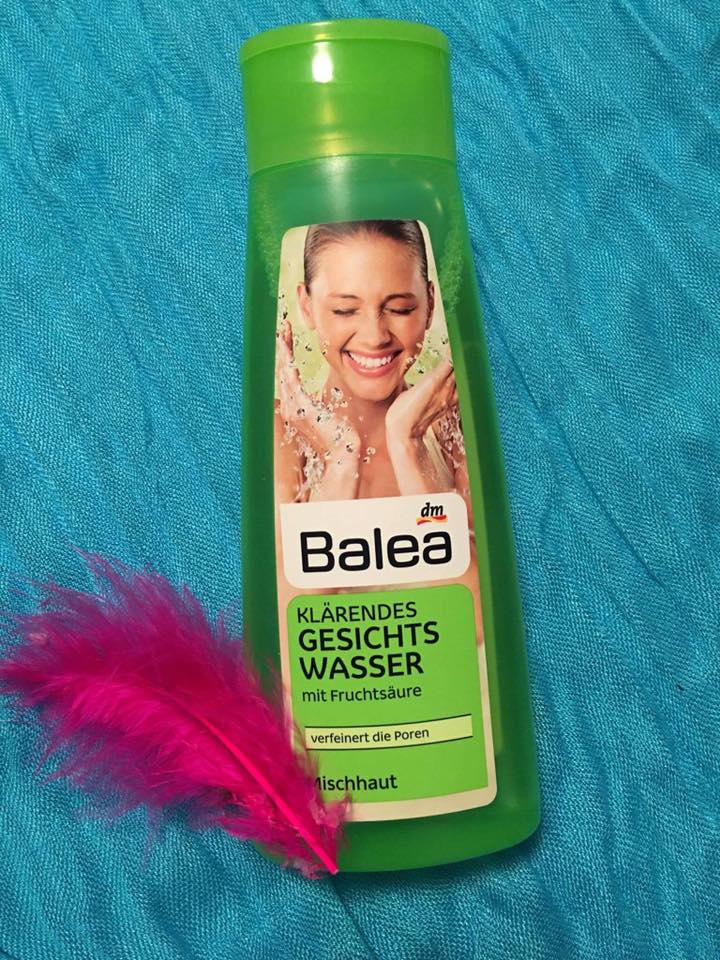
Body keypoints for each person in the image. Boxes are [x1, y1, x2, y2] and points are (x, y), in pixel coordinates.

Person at [275, 219, 470, 516]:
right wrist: (339, 459)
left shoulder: (456, 429)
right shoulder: (283, 432)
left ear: (430, 303)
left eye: (399, 309)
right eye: (345, 310)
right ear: (306, 306)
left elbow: (468, 550)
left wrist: (409, 443)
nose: (375, 337)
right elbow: (281, 551)